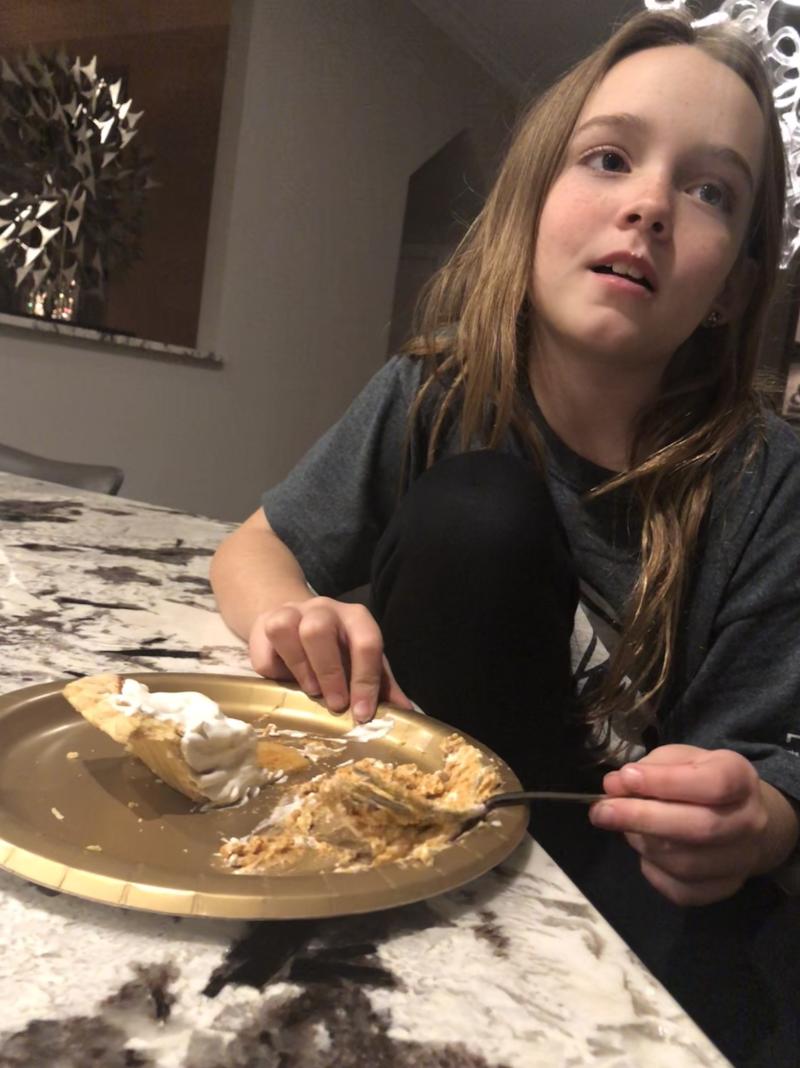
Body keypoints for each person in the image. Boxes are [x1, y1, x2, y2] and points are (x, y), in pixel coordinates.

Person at [212, 11, 800, 1063]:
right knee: (478, 507)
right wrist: (294, 617)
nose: (648, 206)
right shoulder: (431, 393)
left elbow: (768, 765)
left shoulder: (770, 484)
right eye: (608, 158)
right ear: (531, 201)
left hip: (620, 889)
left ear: (733, 289)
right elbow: (253, 548)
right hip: (412, 837)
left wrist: (761, 821)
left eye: (711, 191)